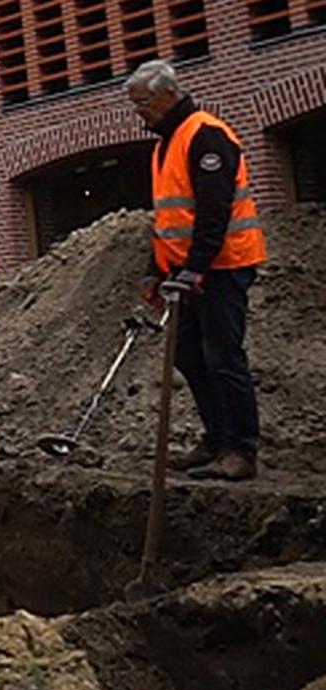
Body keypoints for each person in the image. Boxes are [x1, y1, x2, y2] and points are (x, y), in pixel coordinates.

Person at [126, 59, 268, 482]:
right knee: (188, 354)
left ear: (170, 94)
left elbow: (214, 210)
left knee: (223, 356)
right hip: (187, 269)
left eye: (144, 102)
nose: (139, 112)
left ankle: (241, 449)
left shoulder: (206, 136)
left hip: (224, 267)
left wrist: (197, 269)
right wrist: (157, 269)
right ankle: (216, 438)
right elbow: (168, 219)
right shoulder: (164, 145)